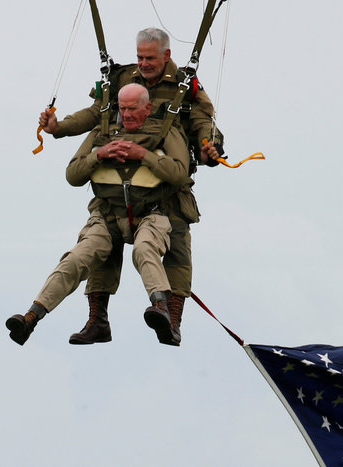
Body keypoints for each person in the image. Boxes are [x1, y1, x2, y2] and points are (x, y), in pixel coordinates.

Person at [37, 27, 223, 346]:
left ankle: (171, 321)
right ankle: (98, 320)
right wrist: (59, 128)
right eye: (139, 56)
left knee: (175, 246)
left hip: (165, 180)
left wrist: (210, 147)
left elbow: (204, 124)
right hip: (117, 181)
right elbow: (98, 113)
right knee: (100, 242)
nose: (144, 63)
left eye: (150, 57)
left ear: (167, 55)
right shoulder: (123, 79)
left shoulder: (186, 87)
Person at [6, 84, 199, 346]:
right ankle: (31, 318)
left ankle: (161, 309)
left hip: (152, 213)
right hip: (108, 214)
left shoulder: (167, 131)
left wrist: (142, 155)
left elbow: (179, 175)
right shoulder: (103, 132)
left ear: (148, 108)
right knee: (77, 257)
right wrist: (100, 155)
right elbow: (73, 175)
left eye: (133, 108)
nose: (127, 114)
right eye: (122, 108)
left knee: (144, 249)